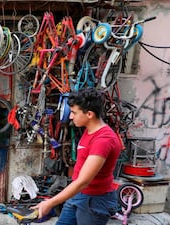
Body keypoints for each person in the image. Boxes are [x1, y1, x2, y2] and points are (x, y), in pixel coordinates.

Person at [31, 88, 122, 225]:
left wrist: (50, 202)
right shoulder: (90, 131)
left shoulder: (103, 140)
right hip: (78, 194)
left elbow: (84, 181)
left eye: (74, 112)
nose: (71, 116)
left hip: (94, 201)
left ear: (89, 114)